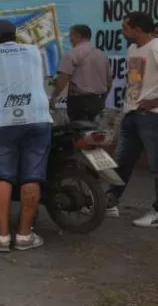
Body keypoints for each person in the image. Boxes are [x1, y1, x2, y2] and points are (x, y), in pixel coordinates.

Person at [0, 20, 52, 251]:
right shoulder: (35, 51)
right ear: (14, 35)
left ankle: (2, 236)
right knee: (32, 176)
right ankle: (24, 235)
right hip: (37, 117)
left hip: (2, 121)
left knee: (3, 176)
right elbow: (42, 80)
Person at [106, 12, 158, 227]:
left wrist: (154, 102)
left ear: (137, 30)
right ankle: (109, 202)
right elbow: (136, 83)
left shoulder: (156, 47)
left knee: (156, 165)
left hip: (151, 117)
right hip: (131, 113)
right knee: (122, 162)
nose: (122, 31)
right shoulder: (132, 49)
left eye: (125, 27)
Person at [51, 24, 111, 122]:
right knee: (93, 132)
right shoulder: (102, 55)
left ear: (77, 36)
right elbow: (109, 81)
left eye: (71, 36)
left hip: (79, 102)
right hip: (97, 101)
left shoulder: (72, 54)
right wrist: (103, 100)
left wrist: (54, 97)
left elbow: (63, 78)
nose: (70, 39)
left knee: (78, 134)